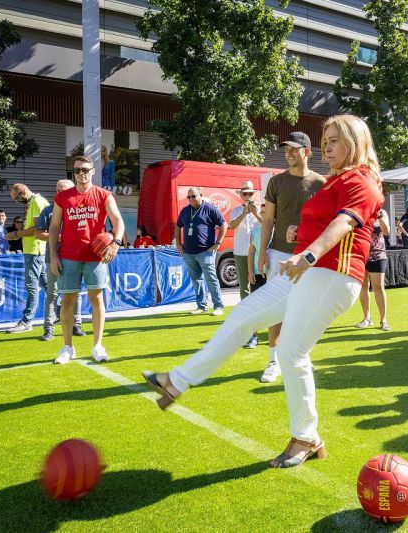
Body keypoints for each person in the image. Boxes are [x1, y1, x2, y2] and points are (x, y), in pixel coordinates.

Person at [142, 114, 385, 468]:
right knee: (243, 315)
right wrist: (300, 234)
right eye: (325, 140)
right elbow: (325, 221)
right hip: (310, 272)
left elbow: (344, 223)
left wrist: (308, 252)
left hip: (332, 276)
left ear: (354, 142)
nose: (326, 147)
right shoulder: (337, 181)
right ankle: (176, 381)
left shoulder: (363, 180)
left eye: (334, 140)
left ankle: (306, 437)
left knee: (291, 351)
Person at [258, 131, 326, 383]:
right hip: (278, 254)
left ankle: (301, 357)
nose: (288, 153)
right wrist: (263, 252)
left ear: (307, 152)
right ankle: (273, 361)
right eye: (286, 149)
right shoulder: (276, 182)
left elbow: (326, 224)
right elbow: (267, 220)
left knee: (307, 310)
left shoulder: (321, 184)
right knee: (275, 309)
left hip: (309, 258)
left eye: (293, 149)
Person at [49, 155, 125, 364]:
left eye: (85, 169)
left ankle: (98, 345)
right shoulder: (63, 197)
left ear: (93, 171)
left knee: (97, 299)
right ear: (72, 173)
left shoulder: (103, 195)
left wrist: (115, 243)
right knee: (67, 300)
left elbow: (118, 220)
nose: (81, 173)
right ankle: (67, 347)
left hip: (95, 257)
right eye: (77, 170)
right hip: (69, 256)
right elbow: (54, 228)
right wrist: (53, 256)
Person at [35, 179, 85, 342]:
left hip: (75, 257)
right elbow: (37, 233)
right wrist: (58, 236)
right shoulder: (48, 211)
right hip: (53, 258)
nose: (59, 193)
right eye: (57, 190)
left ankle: (76, 325)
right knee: (53, 294)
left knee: (75, 293)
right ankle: (48, 329)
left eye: (62, 190)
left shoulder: (80, 209)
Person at [176, 187, 228, 316]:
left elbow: (224, 224)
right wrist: (178, 244)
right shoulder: (185, 211)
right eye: (189, 197)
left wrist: (218, 243)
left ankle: (218, 306)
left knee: (211, 279)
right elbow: (178, 226)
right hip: (189, 252)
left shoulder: (209, 209)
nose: (191, 199)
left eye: (193, 196)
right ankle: (201, 306)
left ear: (200, 195)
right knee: (196, 280)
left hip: (206, 251)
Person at [6, 184, 50, 334]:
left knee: (32, 286)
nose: (17, 201)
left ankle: (26, 321)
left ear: (23, 191)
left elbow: (38, 229)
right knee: (47, 286)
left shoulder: (37, 202)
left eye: (17, 198)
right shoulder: (34, 202)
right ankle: (60, 312)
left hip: (35, 251)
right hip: (36, 251)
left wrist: (17, 234)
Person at [229, 181, 262, 347]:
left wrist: (255, 213)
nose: (248, 197)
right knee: (244, 290)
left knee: (261, 290)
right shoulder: (236, 210)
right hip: (241, 254)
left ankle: (261, 327)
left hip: (259, 254)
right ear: (240, 195)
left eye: (250, 194)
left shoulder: (260, 209)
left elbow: (268, 225)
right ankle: (250, 329)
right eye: (245, 194)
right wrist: (243, 213)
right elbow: (231, 226)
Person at [355, 208, 391, 331]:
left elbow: (386, 231)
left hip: (378, 255)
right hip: (361, 255)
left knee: (378, 287)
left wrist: (379, 216)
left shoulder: (382, 212)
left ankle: (383, 320)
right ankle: (367, 318)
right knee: (363, 287)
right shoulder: (359, 210)